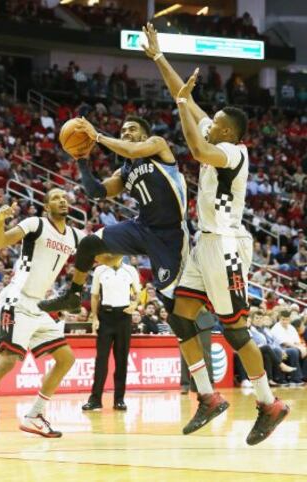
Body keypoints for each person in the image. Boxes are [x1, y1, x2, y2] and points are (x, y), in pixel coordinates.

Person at [141, 23, 289, 445]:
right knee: (179, 315)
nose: (211, 122)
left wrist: (185, 107)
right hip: (205, 241)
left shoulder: (230, 152)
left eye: (217, 121)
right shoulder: (218, 134)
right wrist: (158, 58)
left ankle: (268, 403)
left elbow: (196, 148)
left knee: (236, 330)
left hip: (226, 245)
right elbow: (183, 97)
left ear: (229, 132)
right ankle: (207, 396)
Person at [0, 188, 81, 445]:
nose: (62, 200)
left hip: (41, 305)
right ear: (46, 206)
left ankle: (34, 414)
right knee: (8, 361)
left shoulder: (76, 235)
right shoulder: (36, 223)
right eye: (55, 197)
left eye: (64, 197)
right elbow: (0, 242)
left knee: (66, 358)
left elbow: (99, 253)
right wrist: (0, 222)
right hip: (17, 299)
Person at [38, 115, 188, 316]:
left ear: (144, 134)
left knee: (175, 308)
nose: (126, 133)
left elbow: (132, 150)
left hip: (170, 234)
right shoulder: (124, 172)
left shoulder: (157, 145)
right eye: (123, 130)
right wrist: (82, 161)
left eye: (132, 129)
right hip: (142, 227)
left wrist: (97, 136)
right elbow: (96, 191)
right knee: (88, 244)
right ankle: (73, 296)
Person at [82, 254, 140, 411]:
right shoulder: (100, 270)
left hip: (124, 317)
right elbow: (94, 296)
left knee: (121, 360)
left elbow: (138, 294)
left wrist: (134, 305)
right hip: (105, 316)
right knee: (101, 360)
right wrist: (94, 318)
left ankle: (119, 399)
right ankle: (95, 400)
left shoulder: (130, 270)